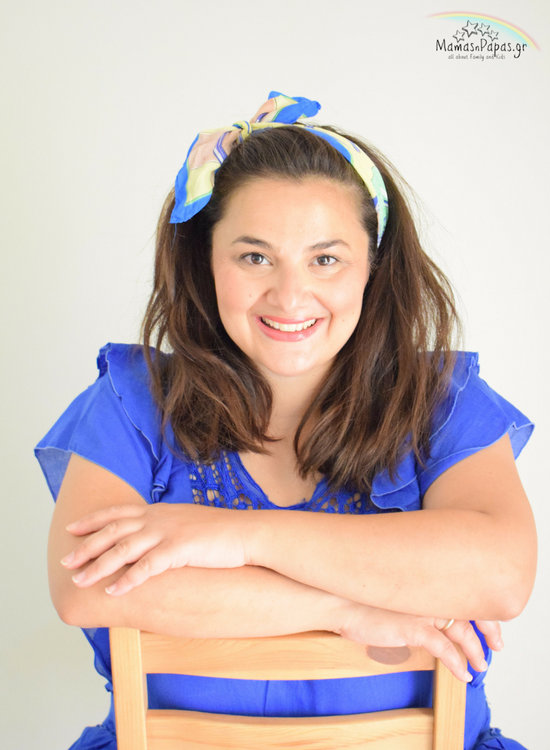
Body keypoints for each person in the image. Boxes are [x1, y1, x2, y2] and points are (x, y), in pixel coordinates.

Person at [35, 92, 537, 750]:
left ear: (373, 266)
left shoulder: (441, 400)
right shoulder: (134, 401)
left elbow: (501, 575)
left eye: (326, 259)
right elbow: (85, 587)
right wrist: (349, 609)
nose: (290, 295)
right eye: (254, 257)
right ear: (205, 260)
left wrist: (237, 539)